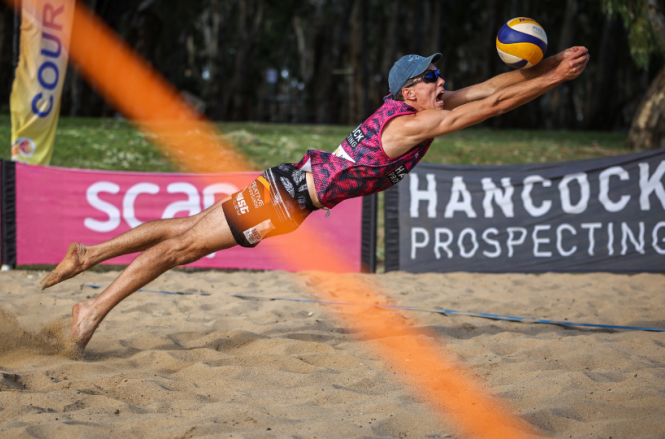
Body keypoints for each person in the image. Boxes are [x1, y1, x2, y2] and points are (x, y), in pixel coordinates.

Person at [41, 46, 590, 351]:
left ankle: (87, 255)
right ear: (408, 93)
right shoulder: (408, 128)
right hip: (285, 201)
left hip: (288, 185)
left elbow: (491, 90)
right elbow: (488, 110)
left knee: (182, 228)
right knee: (180, 249)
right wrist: (554, 81)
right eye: (431, 77)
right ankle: (91, 310)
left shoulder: (420, 110)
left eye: (440, 74)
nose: (442, 81)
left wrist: (543, 68)